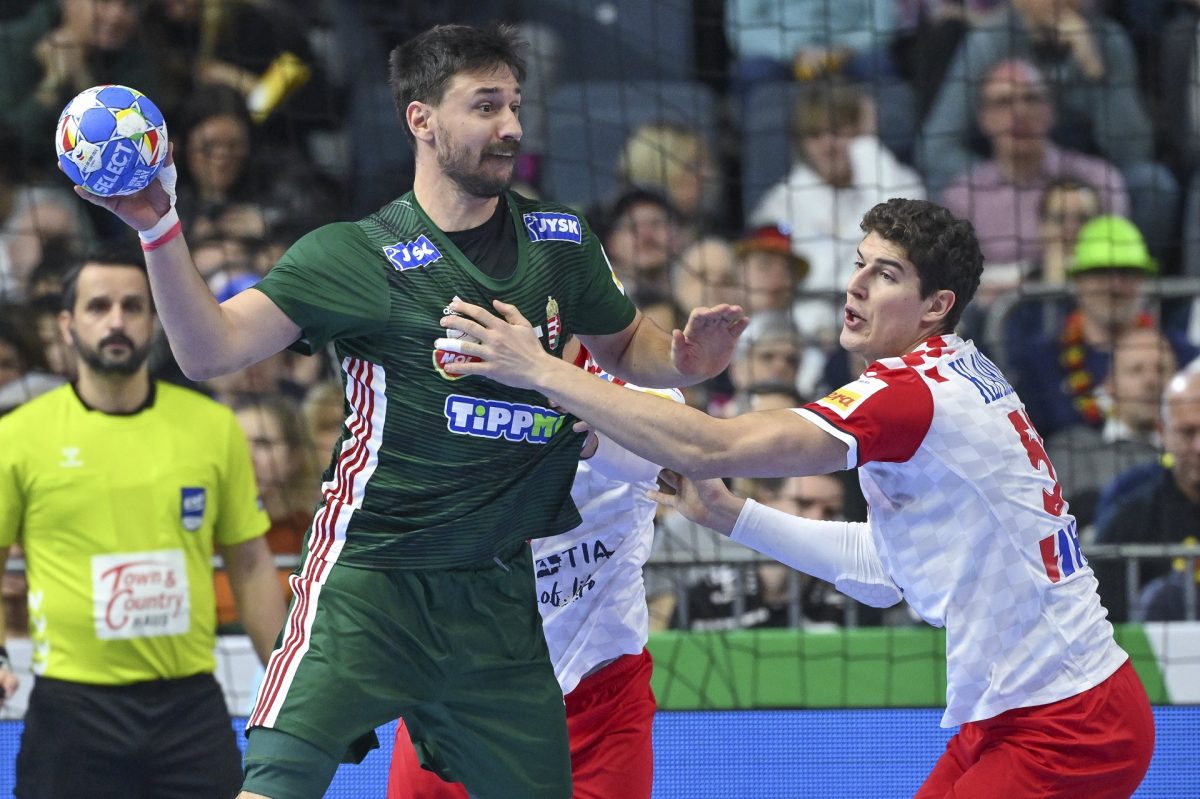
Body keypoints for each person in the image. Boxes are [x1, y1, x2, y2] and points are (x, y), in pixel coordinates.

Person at [71, 23, 743, 799]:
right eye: (485, 106)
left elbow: (629, 347)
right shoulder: (353, 254)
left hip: (501, 604)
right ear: (420, 119)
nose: (511, 126)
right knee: (276, 784)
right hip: (374, 583)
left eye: (514, 104)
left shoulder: (560, 241)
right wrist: (159, 228)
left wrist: (685, 360)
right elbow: (210, 350)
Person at [439, 197, 1155, 798]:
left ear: (938, 305)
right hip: (1031, 710)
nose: (856, 286)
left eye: (886, 275)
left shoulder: (909, 398)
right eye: (859, 264)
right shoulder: (955, 373)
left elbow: (708, 447)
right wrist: (732, 515)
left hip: (1068, 722)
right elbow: (883, 572)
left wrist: (543, 371)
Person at [0, 250, 287, 798]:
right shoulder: (18, 437)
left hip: (189, 710)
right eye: (99, 306)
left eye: (132, 307)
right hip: (71, 710)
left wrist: (287, 690)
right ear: (67, 324)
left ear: (153, 322)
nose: (116, 321)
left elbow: (251, 565)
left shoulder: (211, 427)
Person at [388, 340, 677, 799]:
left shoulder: (639, 374)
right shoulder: (443, 366)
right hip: (457, 690)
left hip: (596, 700)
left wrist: (583, 427)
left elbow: (654, 453)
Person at [1091, 359, 1200, 622]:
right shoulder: (1126, 523)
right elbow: (1108, 626)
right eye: (1187, 432)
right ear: (1162, 432)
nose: (1199, 447)